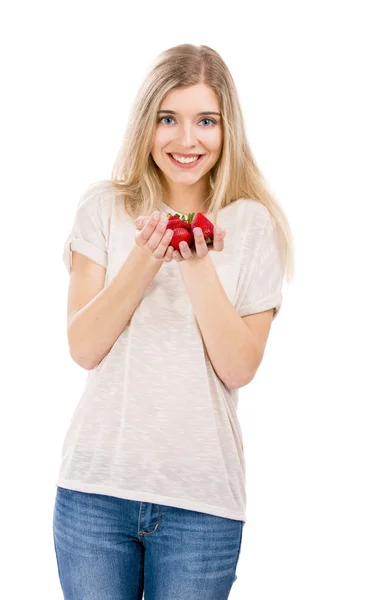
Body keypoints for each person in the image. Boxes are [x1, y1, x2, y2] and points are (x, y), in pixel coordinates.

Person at [52, 43, 294, 600]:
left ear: (225, 128)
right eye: (169, 119)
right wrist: (146, 256)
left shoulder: (255, 225)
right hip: (94, 495)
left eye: (205, 121)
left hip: (202, 507)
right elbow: (84, 348)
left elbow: (238, 368)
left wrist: (197, 262)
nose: (187, 140)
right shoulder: (103, 209)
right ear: (147, 124)